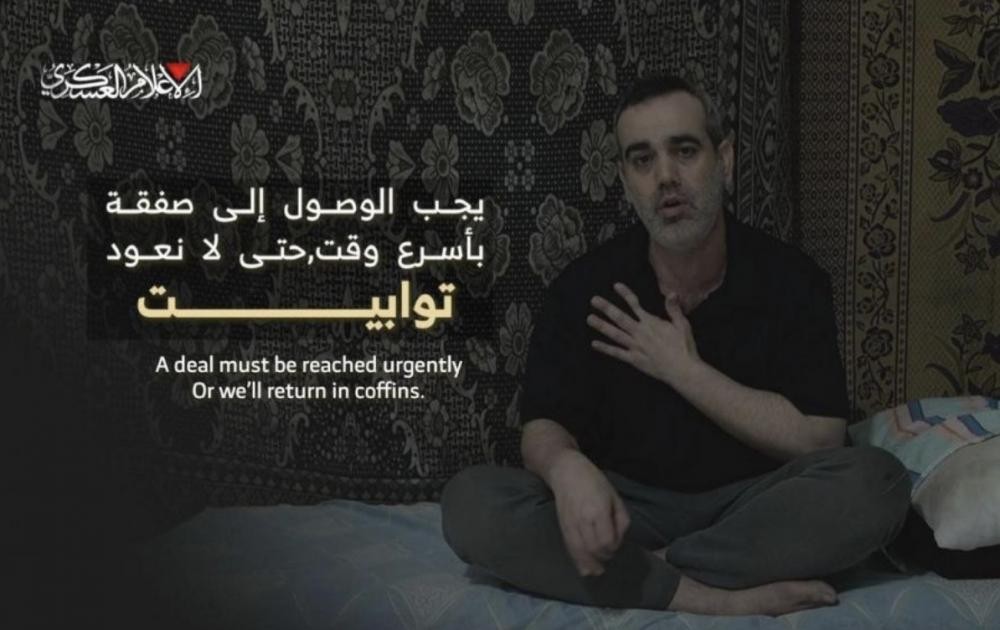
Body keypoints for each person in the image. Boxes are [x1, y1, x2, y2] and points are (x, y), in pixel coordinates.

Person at [440, 75, 910, 616]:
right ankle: (709, 597)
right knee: (470, 504)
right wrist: (566, 469)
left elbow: (821, 439)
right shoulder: (583, 287)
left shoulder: (792, 280)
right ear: (625, 179)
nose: (665, 177)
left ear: (724, 160)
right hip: (625, 509)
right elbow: (543, 427)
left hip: (752, 507)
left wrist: (682, 369)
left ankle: (644, 574)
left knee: (878, 484)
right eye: (642, 160)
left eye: (684, 151)